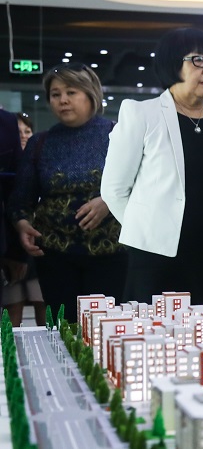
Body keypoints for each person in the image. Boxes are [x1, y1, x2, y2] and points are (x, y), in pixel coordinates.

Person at [102, 29, 203, 309]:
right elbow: (114, 190)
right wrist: (150, 231)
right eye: (198, 60)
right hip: (157, 260)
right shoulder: (141, 114)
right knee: (158, 334)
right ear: (172, 64)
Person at [8, 64, 126, 322]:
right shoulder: (40, 142)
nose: (62, 100)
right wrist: (22, 224)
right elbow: (21, 199)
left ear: (91, 95)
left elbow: (142, 186)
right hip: (54, 256)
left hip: (112, 255)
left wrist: (108, 201)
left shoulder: (119, 135)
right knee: (62, 328)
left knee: (106, 330)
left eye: (71, 92)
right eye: (55, 94)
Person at [2, 112, 44, 326]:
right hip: (11, 241)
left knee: (43, 303)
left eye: (27, 131)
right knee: (13, 304)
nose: (23, 135)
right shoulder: (9, 167)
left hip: (37, 243)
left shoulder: (42, 160)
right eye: (18, 132)